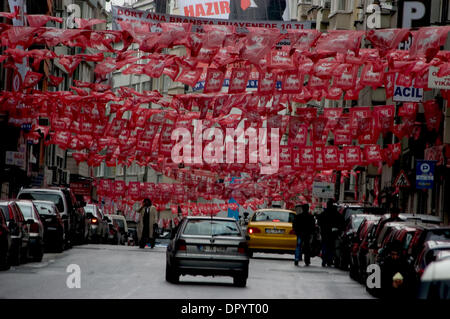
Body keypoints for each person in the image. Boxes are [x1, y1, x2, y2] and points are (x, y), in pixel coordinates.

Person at [318, 199, 344, 267]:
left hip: (325, 233)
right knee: (331, 247)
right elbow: (341, 223)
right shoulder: (337, 214)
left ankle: (324, 260)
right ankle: (329, 260)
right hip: (332, 234)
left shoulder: (323, 214)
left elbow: (319, 222)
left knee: (325, 246)